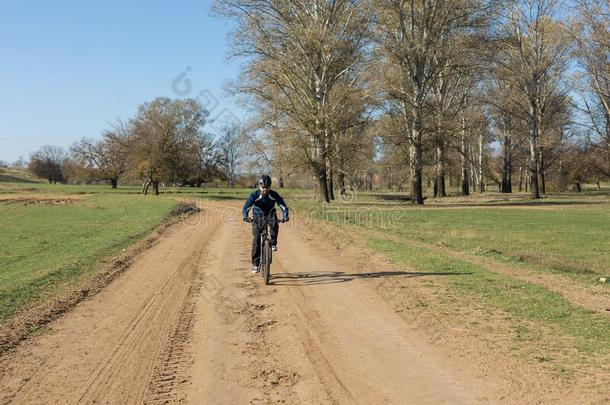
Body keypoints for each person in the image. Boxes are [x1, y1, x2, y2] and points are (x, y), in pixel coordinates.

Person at [242, 175, 289, 273]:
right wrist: (245, 216)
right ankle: (255, 264)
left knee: (274, 224)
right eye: (263, 187)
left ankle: (272, 243)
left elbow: (283, 205)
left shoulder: (274, 194)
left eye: (267, 188)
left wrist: (285, 216)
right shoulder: (254, 195)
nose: (265, 190)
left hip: (270, 213)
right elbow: (246, 207)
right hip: (257, 216)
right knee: (256, 239)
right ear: (259, 186)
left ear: (270, 187)